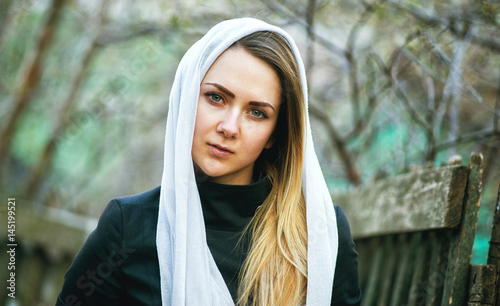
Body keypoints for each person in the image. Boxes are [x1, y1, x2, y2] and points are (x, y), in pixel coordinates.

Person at [56, 18, 361, 306]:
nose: (229, 127)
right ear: (188, 98)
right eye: (216, 98)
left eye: (257, 112)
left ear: (273, 135)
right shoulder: (129, 227)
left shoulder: (317, 230)